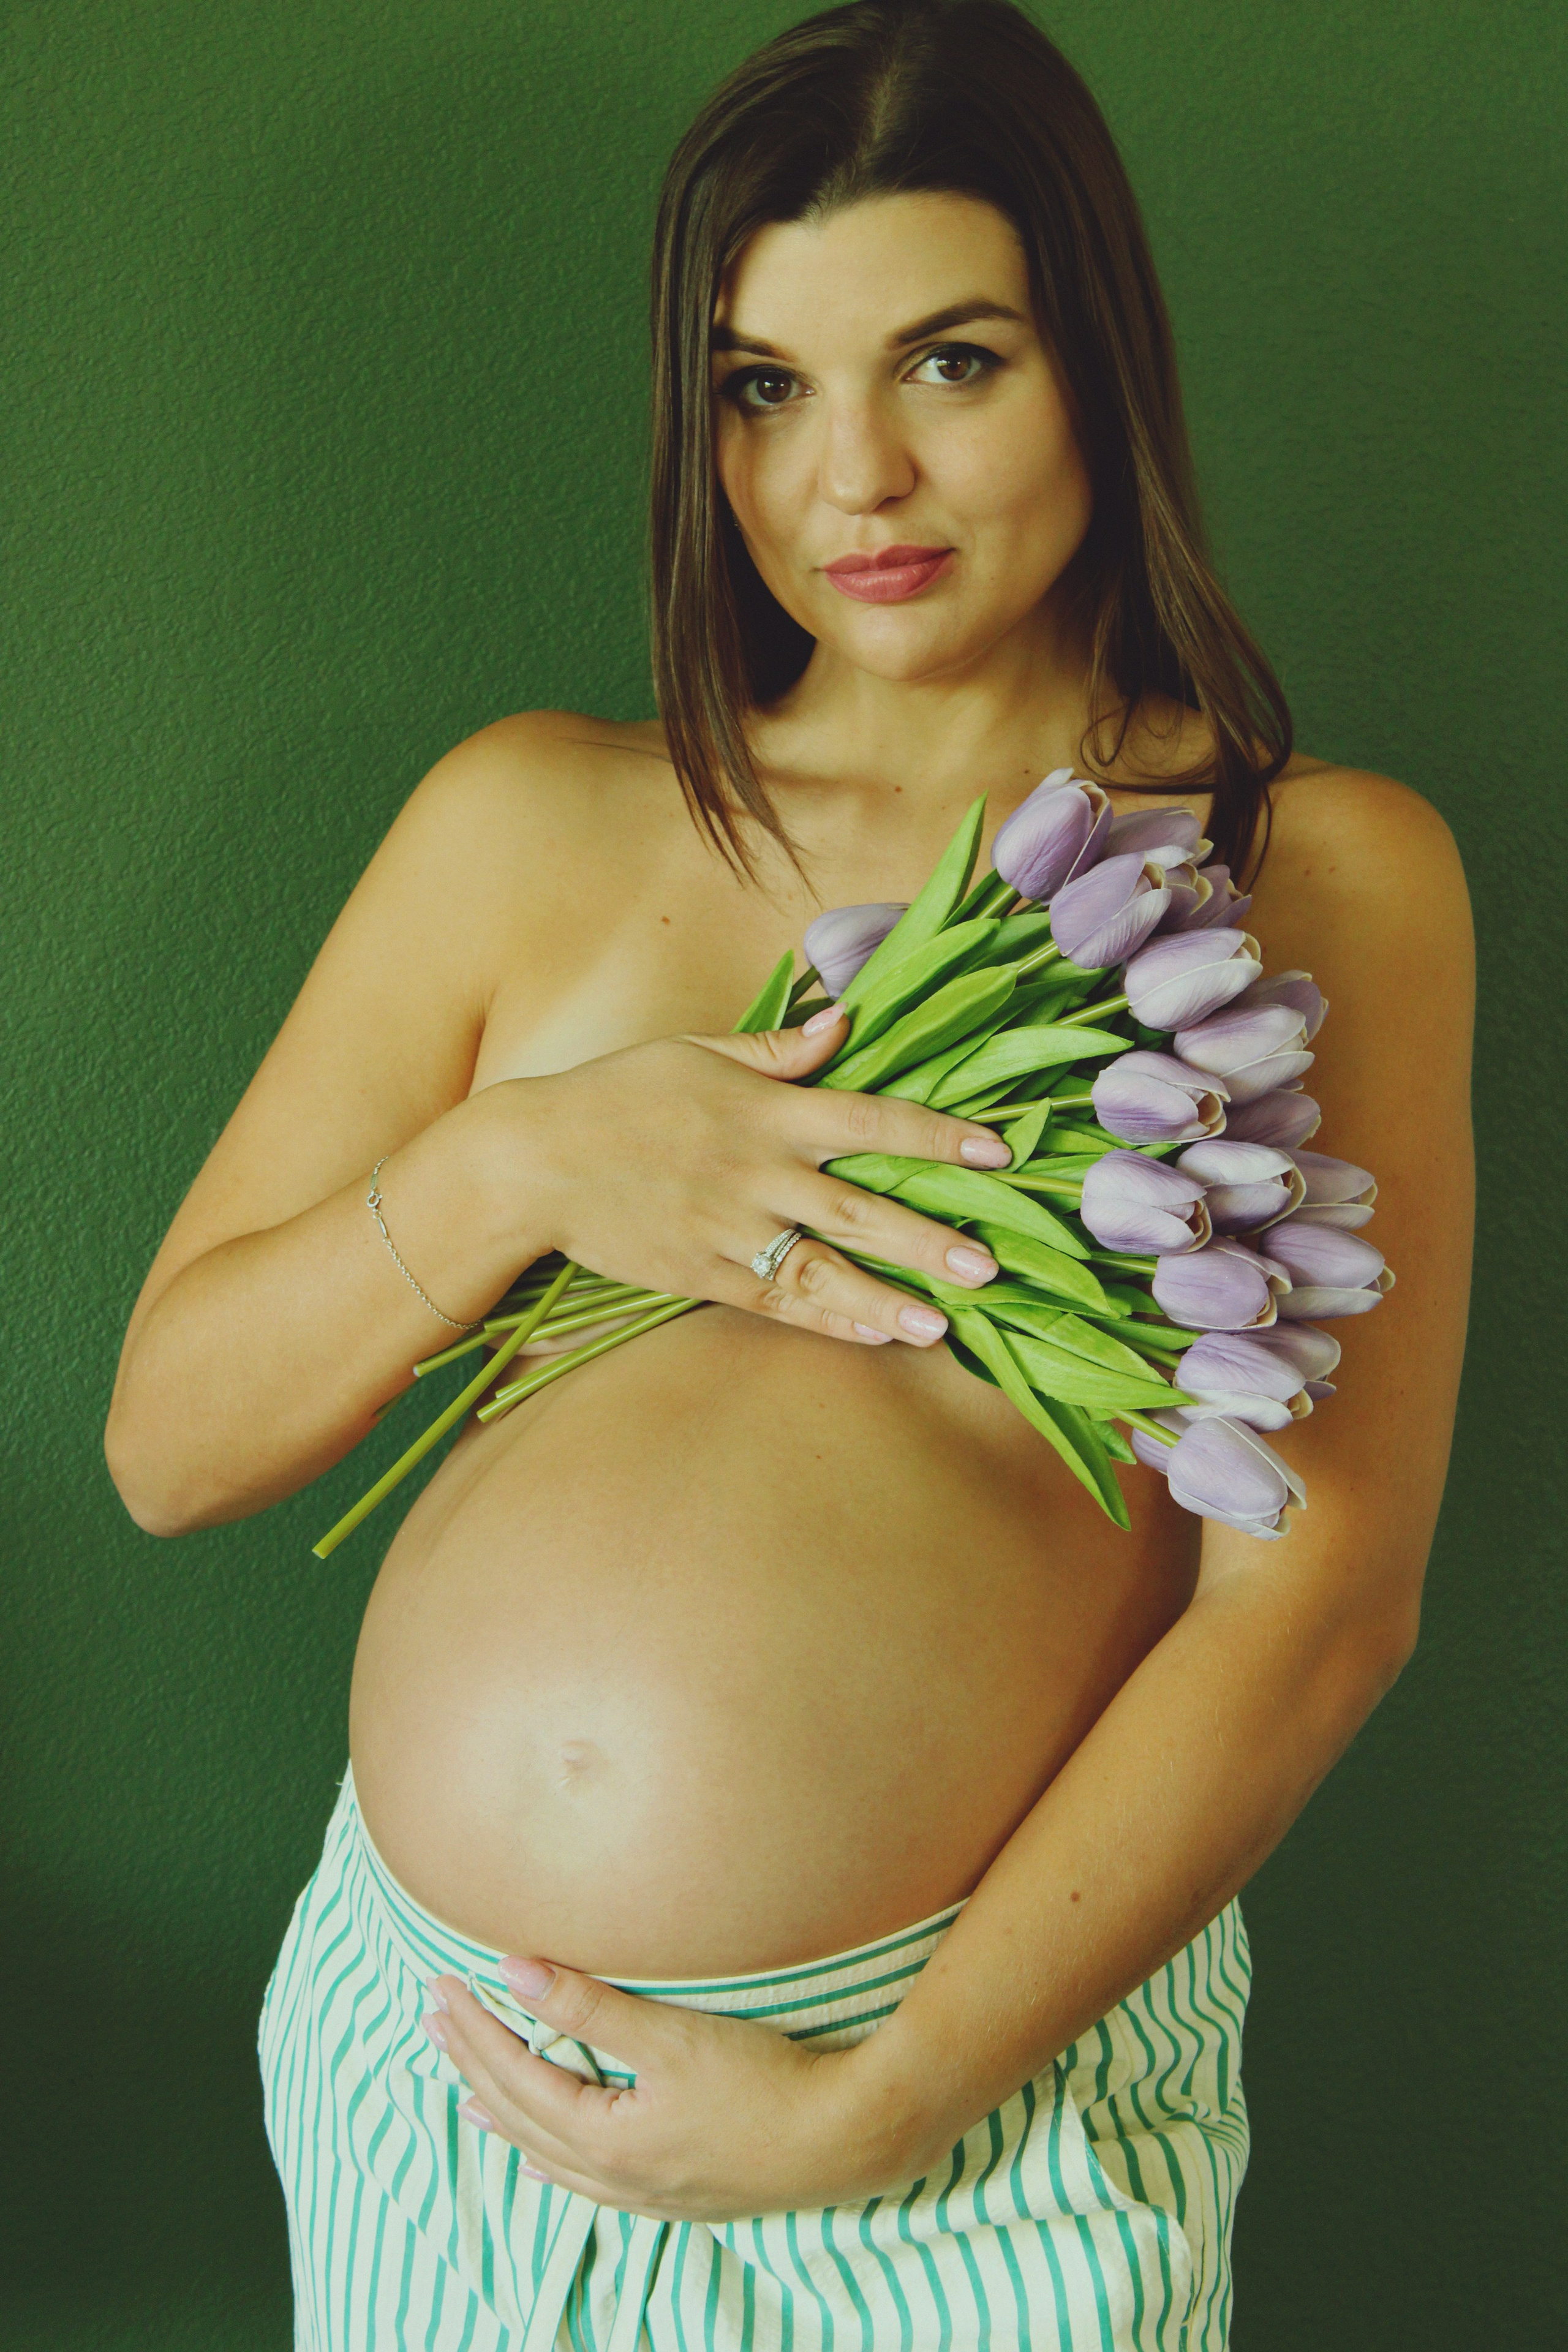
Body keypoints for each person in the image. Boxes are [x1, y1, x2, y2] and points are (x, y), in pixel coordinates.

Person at [104, 1, 1474, 2344]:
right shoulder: (529, 820)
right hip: (441, 2075)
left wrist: (883, 2102)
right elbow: (171, 1446)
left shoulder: (1305, 874)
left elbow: (1315, 1608)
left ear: (1098, 368)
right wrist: (539, 1158)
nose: (856, 477)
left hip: (974, 2130)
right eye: (763, 386)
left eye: (950, 361)